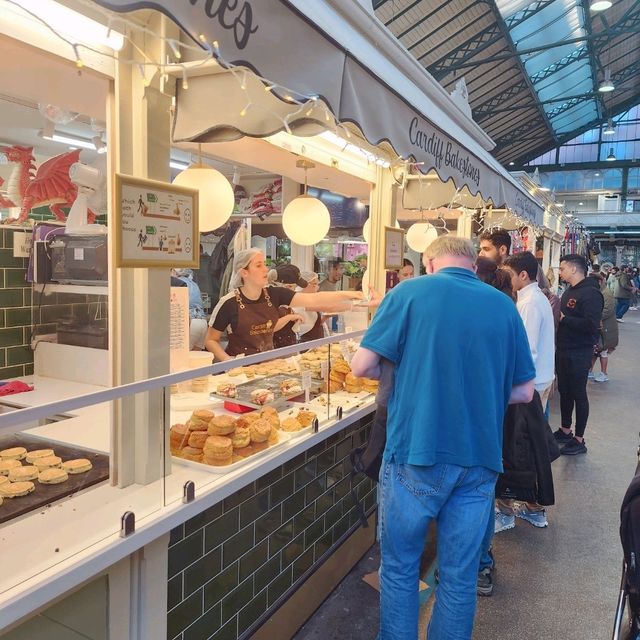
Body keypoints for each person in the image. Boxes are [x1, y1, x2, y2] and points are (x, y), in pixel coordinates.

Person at [350, 236, 535, 640]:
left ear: (430, 261)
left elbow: (361, 366)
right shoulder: (503, 305)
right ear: (473, 264)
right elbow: (524, 391)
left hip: (416, 453)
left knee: (399, 569)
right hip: (479, 460)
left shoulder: (409, 292)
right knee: (459, 576)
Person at [205, 249, 376, 361]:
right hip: (239, 369)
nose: (265, 269)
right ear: (244, 272)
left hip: (268, 364)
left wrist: (352, 296)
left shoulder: (274, 294)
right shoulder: (229, 303)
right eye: (259, 265)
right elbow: (211, 340)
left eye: (265, 264)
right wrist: (228, 362)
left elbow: (315, 300)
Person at [554, 254, 603, 455]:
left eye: (562, 268)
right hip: (564, 349)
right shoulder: (570, 290)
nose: (560, 272)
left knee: (578, 394)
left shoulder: (591, 293)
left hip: (579, 351)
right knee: (565, 392)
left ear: (574, 269)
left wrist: (565, 319)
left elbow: (592, 326)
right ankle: (566, 429)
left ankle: (579, 439)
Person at [589, 272, 618, 382]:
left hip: (606, 328)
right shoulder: (599, 292)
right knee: (596, 350)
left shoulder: (606, 293)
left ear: (600, 282)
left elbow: (608, 310)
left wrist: (594, 316)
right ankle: (590, 371)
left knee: (603, 351)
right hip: (599, 327)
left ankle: (603, 373)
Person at [172, 268, 208, 350]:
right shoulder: (194, 284)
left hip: (191, 322)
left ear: (174, 271)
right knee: (197, 358)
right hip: (202, 322)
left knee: (183, 357)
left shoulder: (178, 284)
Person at [293, 271, 326, 341]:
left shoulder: (308, 298)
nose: (317, 287)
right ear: (304, 284)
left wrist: (325, 317)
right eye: (314, 284)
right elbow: (325, 307)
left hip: (314, 340)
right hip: (304, 342)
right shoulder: (298, 299)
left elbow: (312, 321)